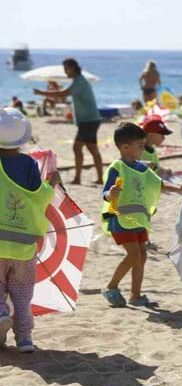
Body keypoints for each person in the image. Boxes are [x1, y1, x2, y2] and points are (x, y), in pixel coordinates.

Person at [101, 123, 182, 308]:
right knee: (133, 255)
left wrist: (178, 189)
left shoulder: (142, 168)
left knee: (142, 255)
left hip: (139, 220)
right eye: (140, 145)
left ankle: (135, 295)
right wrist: (110, 193)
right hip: (121, 219)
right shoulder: (117, 167)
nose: (143, 149)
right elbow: (106, 191)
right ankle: (111, 287)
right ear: (125, 147)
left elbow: (159, 184)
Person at [0, 108, 60, 353]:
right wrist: (52, 183)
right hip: (24, 243)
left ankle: (1, 312)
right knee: (23, 295)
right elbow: (39, 196)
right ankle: (24, 339)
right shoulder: (28, 164)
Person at [34, 58, 103, 185]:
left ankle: (78, 178)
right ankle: (98, 178)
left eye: (66, 68)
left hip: (88, 121)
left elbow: (63, 93)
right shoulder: (79, 80)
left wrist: (41, 93)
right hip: (90, 120)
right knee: (92, 149)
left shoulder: (79, 81)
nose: (65, 71)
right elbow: (65, 93)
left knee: (77, 148)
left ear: (73, 68)